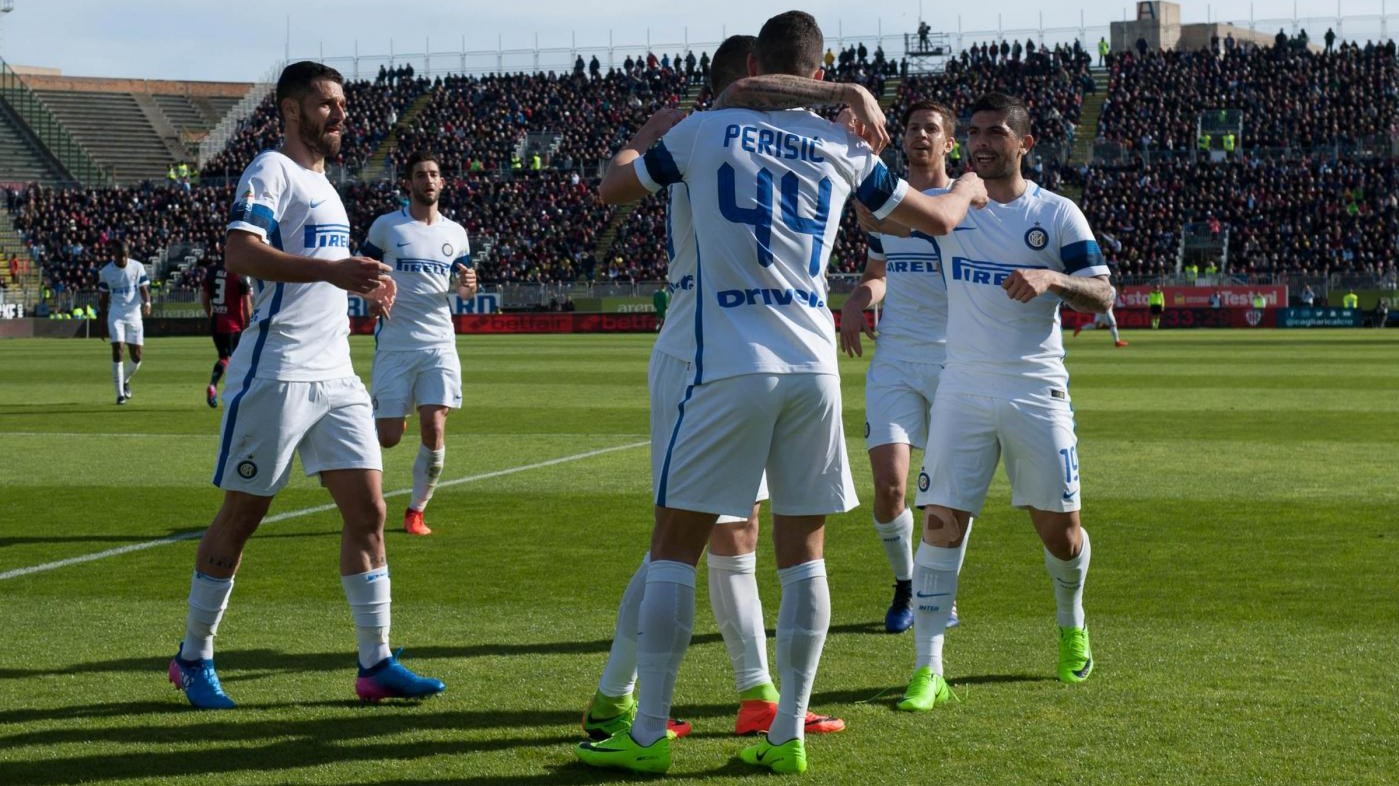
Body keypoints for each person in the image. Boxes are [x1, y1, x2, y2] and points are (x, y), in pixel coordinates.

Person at [578, 11, 985, 775]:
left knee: (674, 545)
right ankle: (784, 731)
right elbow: (934, 219)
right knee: (803, 556)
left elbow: (610, 186)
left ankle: (642, 734)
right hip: (812, 366)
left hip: (722, 360)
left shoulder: (703, 129)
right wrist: (966, 182)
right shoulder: (839, 144)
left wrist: (646, 131)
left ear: (757, 63)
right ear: (816, 68)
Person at [580, 36, 846, 752]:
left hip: (735, 350)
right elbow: (616, 185)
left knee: (733, 529)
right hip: (696, 350)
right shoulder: (711, 132)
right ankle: (619, 697)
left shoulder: (732, 136)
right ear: (758, 80)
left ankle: (753, 691)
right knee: (691, 533)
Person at [166, 61, 443, 710]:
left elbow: (325, 270)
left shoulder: (327, 186)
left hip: (336, 373)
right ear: (291, 111)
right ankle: (192, 657)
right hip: (277, 372)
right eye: (325, 104)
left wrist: (364, 285)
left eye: (342, 103)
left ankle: (375, 663)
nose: (339, 114)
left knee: (370, 513)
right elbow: (239, 251)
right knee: (242, 515)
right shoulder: (271, 169)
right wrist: (331, 274)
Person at [896, 92, 1112, 714]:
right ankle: (929, 667)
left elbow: (1103, 292)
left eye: (996, 132)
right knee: (939, 522)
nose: (982, 142)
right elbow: (874, 214)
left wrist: (1053, 279)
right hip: (961, 386)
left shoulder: (1058, 214)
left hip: (1034, 388)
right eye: (976, 133)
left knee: (1061, 534)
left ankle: (1070, 620)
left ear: (1025, 143)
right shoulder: (952, 208)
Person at [839, 99, 965, 633]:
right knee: (890, 487)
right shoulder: (883, 205)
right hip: (894, 357)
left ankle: (942, 591)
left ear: (948, 143)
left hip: (953, 360)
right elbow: (881, 272)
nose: (920, 135)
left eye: (931, 129)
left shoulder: (966, 202)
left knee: (944, 493)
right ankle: (907, 586)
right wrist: (857, 299)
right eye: (913, 127)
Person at [362, 149, 475, 537]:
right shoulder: (386, 228)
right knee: (388, 437)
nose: (428, 180)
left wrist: (466, 289)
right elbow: (361, 273)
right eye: (421, 174)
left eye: (434, 174)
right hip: (395, 343)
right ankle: (382, 411)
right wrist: (372, 294)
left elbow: (463, 289)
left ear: (442, 182)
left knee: (435, 426)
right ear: (408, 183)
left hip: (438, 344)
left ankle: (416, 511)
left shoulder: (456, 234)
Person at [96, 241, 151, 405]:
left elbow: (143, 289)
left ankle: (125, 379)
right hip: (116, 314)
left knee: (136, 357)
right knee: (118, 349)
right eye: (120, 256)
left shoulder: (137, 267)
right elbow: (104, 298)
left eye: (125, 256)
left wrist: (147, 303)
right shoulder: (105, 272)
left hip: (134, 314)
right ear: (115, 256)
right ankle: (119, 394)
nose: (123, 259)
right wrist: (102, 321)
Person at [201, 256, 253, 408]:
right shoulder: (240, 274)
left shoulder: (212, 271)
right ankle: (235, 392)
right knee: (237, 359)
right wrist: (248, 326)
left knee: (224, 358)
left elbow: (204, 298)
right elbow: (247, 306)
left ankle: (214, 385)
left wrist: (210, 313)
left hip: (217, 323)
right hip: (234, 326)